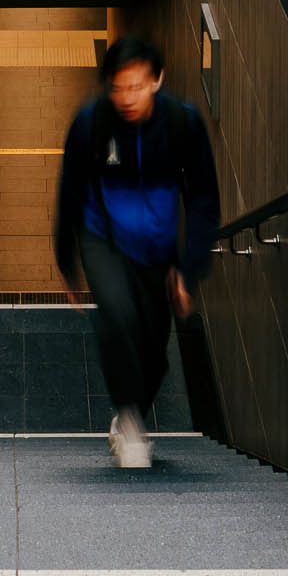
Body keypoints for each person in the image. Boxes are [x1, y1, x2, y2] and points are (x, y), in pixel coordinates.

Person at [53, 33, 221, 469]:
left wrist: (188, 270)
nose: (127, 97)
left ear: (157, 80)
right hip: (102, 236)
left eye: (137, 85)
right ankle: (129, 423)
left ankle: (130, 412)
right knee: (117, 313)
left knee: (153, 352)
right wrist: (66, 262)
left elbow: (204, 199)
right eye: (118, 87)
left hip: (158, 250)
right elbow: (70, 191)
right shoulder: (90, 123)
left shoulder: (183, 124)